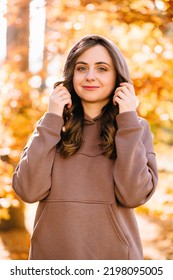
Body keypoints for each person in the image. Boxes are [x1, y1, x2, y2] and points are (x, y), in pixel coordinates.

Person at [12, 34, 158, 260]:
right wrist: (52, 119)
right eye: (82, 68)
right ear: (72, 75)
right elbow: (28, 191)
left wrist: (127, 120)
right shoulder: (51, 125)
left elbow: (134, 195)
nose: (90, 76)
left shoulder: (135, 127)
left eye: (102, 68)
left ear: (117, 76)